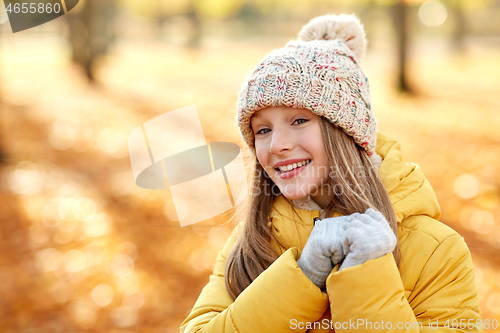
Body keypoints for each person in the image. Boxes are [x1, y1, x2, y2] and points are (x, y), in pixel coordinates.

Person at [180, 14, 482, 332]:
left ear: (346, 132)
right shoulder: (251, 243)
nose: (277, 146)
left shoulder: (436, 250)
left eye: (299, 120)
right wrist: (303, 274)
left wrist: (366, 273)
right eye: (263, 130)